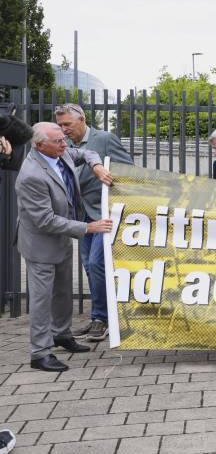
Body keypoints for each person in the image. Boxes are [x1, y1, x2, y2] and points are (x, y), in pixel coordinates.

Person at [15, 123, 113, 372]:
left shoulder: (61, 153)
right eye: (58, 141)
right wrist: (88, 227)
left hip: (61, 237)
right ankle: (40, 353)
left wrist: (96, 165)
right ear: (39, 145)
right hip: (40, 243)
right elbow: (45, 220)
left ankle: (61, 334)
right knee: (41, 299)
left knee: (63, 291)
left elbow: (87, 152)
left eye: (63, 139)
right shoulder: (31, 176)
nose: (64, 144)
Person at [55, 103, 134, 342]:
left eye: (67, 124)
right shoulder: (65, 145)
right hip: (82, 217)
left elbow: (128, 171)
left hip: (105, 214)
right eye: (60, 125)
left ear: (82, 119)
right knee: (90, 268)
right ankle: (100, 316)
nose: (64, 130)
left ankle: (102, 318)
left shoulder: (105, 139)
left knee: (96, 263)